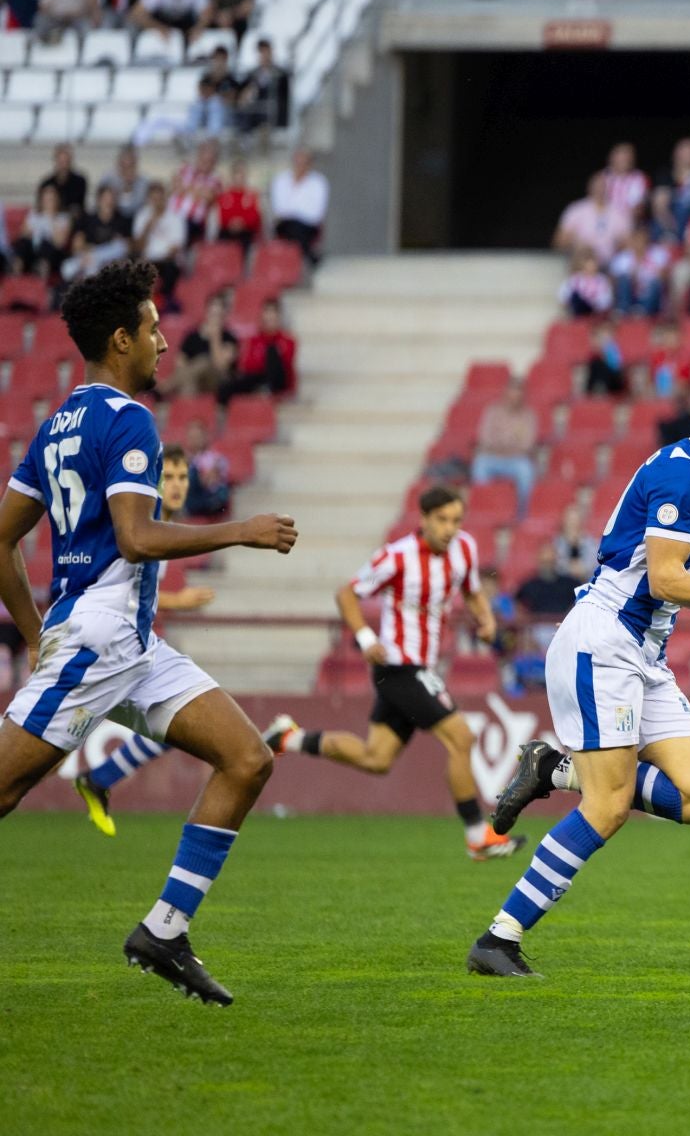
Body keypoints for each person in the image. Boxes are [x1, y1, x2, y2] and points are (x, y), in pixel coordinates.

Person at [0, 260, 298, 1005]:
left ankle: (164, 930)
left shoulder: (56, 424)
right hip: (101, 637)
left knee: (247, 759)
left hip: (128, 646)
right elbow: (135, 538)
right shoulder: (128, 419)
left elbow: (0, 539)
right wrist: (243, 531)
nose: (166, 341)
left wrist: (36, 631)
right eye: (156, 328)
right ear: (122, 337)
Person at [468, 362, 690, 977]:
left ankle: (557, 769)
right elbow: (664, 578)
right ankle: (499, 939)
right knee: (609, 806)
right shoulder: (680, 474)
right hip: (601, 644)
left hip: (644, 657)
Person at [263, 487, 517, 861]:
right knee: (461, 738)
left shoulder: (464, 549)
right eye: (442, 520)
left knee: (376, 758)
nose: (450, 529)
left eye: (456, 520)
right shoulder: (397, 557)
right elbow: (347, 594)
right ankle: (478, 835)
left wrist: (487, 620)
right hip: (397, 667)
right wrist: (366, 639)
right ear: (424, 519)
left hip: (419, 667)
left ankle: (290, 738)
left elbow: (473, 591)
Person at [68, 443, 221, 831]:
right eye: (167, 477)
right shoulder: (142, 521)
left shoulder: (164, 526)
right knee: (32, 749)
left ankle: (98, 779)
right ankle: (96, 779)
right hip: (95, 646)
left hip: (131, 650)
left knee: (181, 719)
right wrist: (178, 600)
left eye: (183, 477)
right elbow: (113, 585)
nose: (176, 485)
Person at [471, 378, 540, 515]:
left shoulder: (528, 416)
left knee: (526, 470)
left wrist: (502, 445)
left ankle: (521, 515)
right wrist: (510, 444)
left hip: (516, 461)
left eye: (518, 392)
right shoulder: (492, 412)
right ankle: (484, 510)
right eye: (512, 392)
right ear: (506, 393)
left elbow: (527, 445)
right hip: (492, 458)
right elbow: (485, 440)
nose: (515, 396)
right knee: (480, 464)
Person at [220, 297, 297, 404]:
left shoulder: (288, 340)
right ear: (262, 316)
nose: (270, 316)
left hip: (279, 382)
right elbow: (249, 365)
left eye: (273, 312)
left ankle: (266, 389)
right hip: (258, 378)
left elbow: (285, 364)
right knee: (228, 386)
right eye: (267, 312)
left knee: (272, 352)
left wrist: (265, 357)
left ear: (279, 316)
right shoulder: (253, 340)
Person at [269, 147, 329, 264]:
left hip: (307, 226)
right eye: (297, 162)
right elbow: (279, 209)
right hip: (284, 224)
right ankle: (307, 256)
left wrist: (295, 214)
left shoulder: (318, 182)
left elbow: (316, 213)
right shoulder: (281, 180)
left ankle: (298, 260)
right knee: (292, 227)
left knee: (296, 228)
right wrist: (295, 213)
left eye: (304, 163)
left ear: (310, 164)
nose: (300, 166)